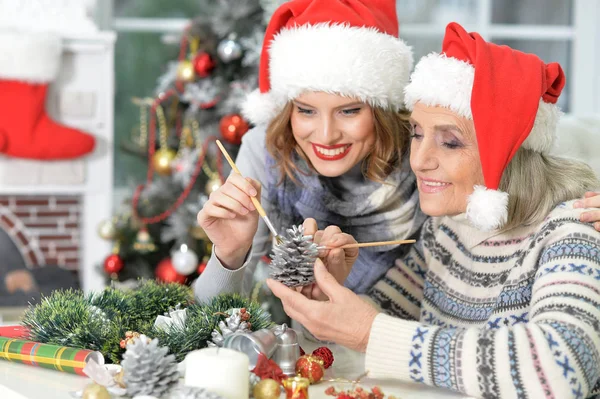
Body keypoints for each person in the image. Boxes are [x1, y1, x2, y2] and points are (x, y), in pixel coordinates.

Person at [267, 23, 600, 399]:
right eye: (418, 134)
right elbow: (386, 318)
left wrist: (369, 332)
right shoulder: (447, 230)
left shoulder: (573, 229)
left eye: (451, 142)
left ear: (508, 153)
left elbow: (562, 370)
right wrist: (328, 297)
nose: (420, 160)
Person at [194, 0, 424, 301]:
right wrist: (230, 254)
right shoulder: (265, 150)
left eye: (349, 111)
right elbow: (209, 318)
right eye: (306, 111)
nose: (326, 137)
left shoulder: (425, 154)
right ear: (288, 110)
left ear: (382, 110)